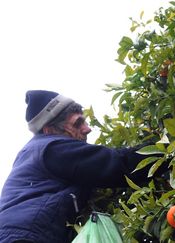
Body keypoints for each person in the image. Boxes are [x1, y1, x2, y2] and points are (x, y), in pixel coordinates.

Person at [0, 90, 164, 243]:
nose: (87, 129)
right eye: (77, 123)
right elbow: (120, 165)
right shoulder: (53, 149)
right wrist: (168, 147)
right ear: (49, 130)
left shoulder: (33, 151)